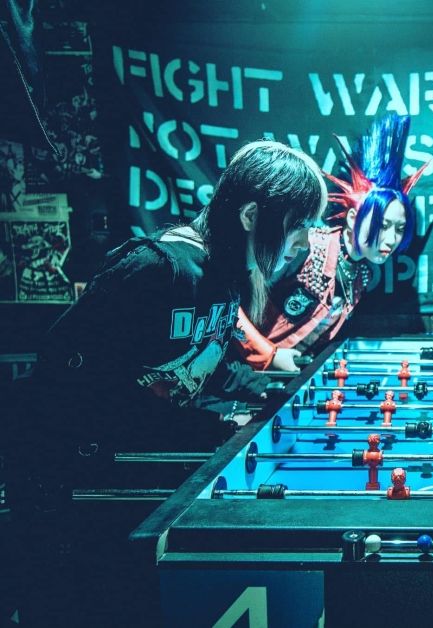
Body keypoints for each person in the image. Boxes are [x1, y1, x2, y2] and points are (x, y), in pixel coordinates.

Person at [4, 139, 328, 625]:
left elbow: (207, 361)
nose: (304, 243)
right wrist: (204, 421)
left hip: (120, 469)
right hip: (64, 480)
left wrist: (274, 394)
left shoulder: (227, 276)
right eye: (298, 225)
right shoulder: (157, 267)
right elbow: (63, 370)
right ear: (250, 216)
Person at [236, 113, 427, 372]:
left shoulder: (361, 275)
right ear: (352, 218)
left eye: (400, 229)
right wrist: (268, 355)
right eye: (382, 225)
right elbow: (230, 305)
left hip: (285, 379)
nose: (392, 239)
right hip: (240, 371)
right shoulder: (306, 248)